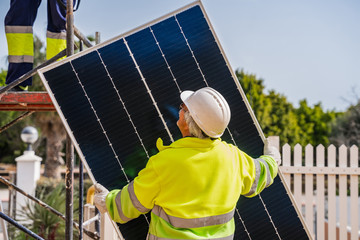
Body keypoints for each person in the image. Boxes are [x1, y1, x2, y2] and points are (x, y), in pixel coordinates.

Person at [94, 87, 281, 240]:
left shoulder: (164, 163)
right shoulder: (233, 158)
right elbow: (260, 173)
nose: (180, 110)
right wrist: (272, 159)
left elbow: (128, 205)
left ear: (187, 120)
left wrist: (108, 202)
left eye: (183, 108)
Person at [4, 0, 68, 91]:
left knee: (59, 23)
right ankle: (18, 81)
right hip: (17, 80)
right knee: (19, 19)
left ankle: (58, 81)